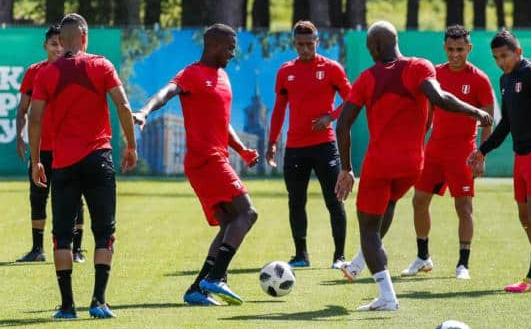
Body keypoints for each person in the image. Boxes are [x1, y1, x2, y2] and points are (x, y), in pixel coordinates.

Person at [334, 21, 492, 311]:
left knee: (368, 228)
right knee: (390, 201)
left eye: (370, 47)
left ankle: (386, 295)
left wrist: (346, 168)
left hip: (380, 163)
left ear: (375, 47)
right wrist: (475, 111)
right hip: (412, 164)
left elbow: (343, 124)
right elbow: (439, 98)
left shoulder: (368, 78)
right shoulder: (420, 67)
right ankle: (358, 263)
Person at [133, 24, 259, 307]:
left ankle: (197, 290)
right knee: (248, 213)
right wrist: (143, 111)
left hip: (217, 159)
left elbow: (222, 122)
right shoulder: (191, 74)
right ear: (214, 46)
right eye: (229, 47)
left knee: (229, 224)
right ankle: (216, 277)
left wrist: (242, 150)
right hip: (206, 160)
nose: (233, 52)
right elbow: (165, 92)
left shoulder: (223, 76)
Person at [29, 13, 138, 319]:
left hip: (63, 163)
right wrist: (131, 145)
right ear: (86, 37)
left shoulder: (46, 74)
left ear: (60, 41)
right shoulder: (101, 65)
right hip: (99, 159)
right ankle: (99, 302)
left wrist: (37, 161)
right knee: (105, 234)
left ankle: (66, 307)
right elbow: (123, 106)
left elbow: (34, 119)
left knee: (61, 236)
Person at [468, 30, 531, 293]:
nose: (501, 61)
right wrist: (483, 150)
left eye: (505, 56)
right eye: (497, 57)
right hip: (521, 155)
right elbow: (507, 123)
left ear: (518, 52)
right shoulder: (505, 80)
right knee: (525, 217)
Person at [401, 25, 494, 280]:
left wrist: (481, 154)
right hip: (434, 151)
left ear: (469, 49)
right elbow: (427, 114)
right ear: (444, 47)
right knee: (418, 200)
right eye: (451, 49)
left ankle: (463, 264)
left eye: (460, 50)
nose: (455, 54)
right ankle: (423, 257)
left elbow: (488, 120)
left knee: (463, 207)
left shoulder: (480, 79)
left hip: (463, 152)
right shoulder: (435, 74)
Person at [266, 20, 351, 269]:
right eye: (300, 44)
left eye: (309, 44)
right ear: (294, 44)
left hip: (325, 146)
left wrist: (331, 117)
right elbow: (279, 109)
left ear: (317, 42)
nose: (305, 49)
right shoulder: (285, 71)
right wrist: (272, 142)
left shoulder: (332, 68)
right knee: (296, 201)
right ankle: (301, 255)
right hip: (295, 148)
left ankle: (339, 257)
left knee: (334, 200)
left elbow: (353, 98)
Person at [16, 24, 86, 264]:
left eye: (61, 43)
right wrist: (20, 137)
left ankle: (77, 250)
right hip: (42, 148)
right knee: (38, 196)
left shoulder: (75, 70)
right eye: (53, 44)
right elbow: (23, 109)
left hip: (69, 147)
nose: (58, 48)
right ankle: (37, 249)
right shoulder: (34, 72)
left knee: (75, 197)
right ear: (45, 46)